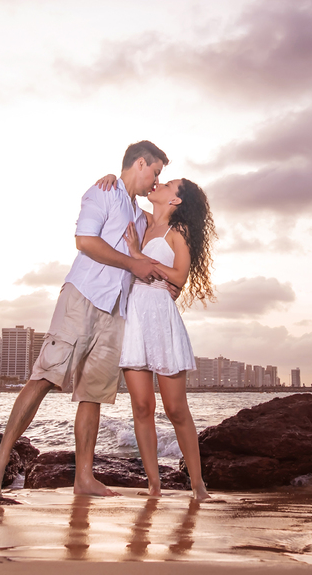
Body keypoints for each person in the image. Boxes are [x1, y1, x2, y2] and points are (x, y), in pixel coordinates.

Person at [0, 140, 169, 497]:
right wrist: (132, 263)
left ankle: (84, 477)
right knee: (45, 376)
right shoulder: (103, 191)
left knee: (92, 394)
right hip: (82, 297)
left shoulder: (139, 215)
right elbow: (84, 240)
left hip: (116, 309)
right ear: (140, 163)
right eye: (155, 172)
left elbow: (160, 228)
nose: (156, 182)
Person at [101, 174, 216, 500]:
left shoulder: (177, 232)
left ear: (176, 200)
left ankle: (198, 486)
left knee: (176, 408)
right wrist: (115, 176)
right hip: (135, 317)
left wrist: (137, 254)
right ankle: (153, 485)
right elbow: (123, 195)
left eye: (167, 185)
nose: (159, 184)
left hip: (161, 320)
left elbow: (180, 276)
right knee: (141, 406)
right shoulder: (144, 220)